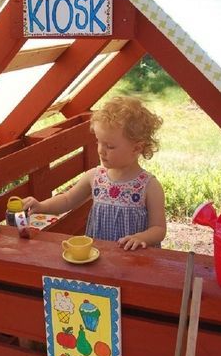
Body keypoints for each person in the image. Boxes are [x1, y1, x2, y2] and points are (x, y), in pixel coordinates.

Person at [21, 96, 166, 250]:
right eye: (98, 142)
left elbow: (159, 229)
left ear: (137, 148)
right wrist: (41, 205)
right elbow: (67, 200)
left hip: (134, 261)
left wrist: (140, 237)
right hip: (98, 257)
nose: (100, 151)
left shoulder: (149, 186)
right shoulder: (95, 177)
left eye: (109, 146)